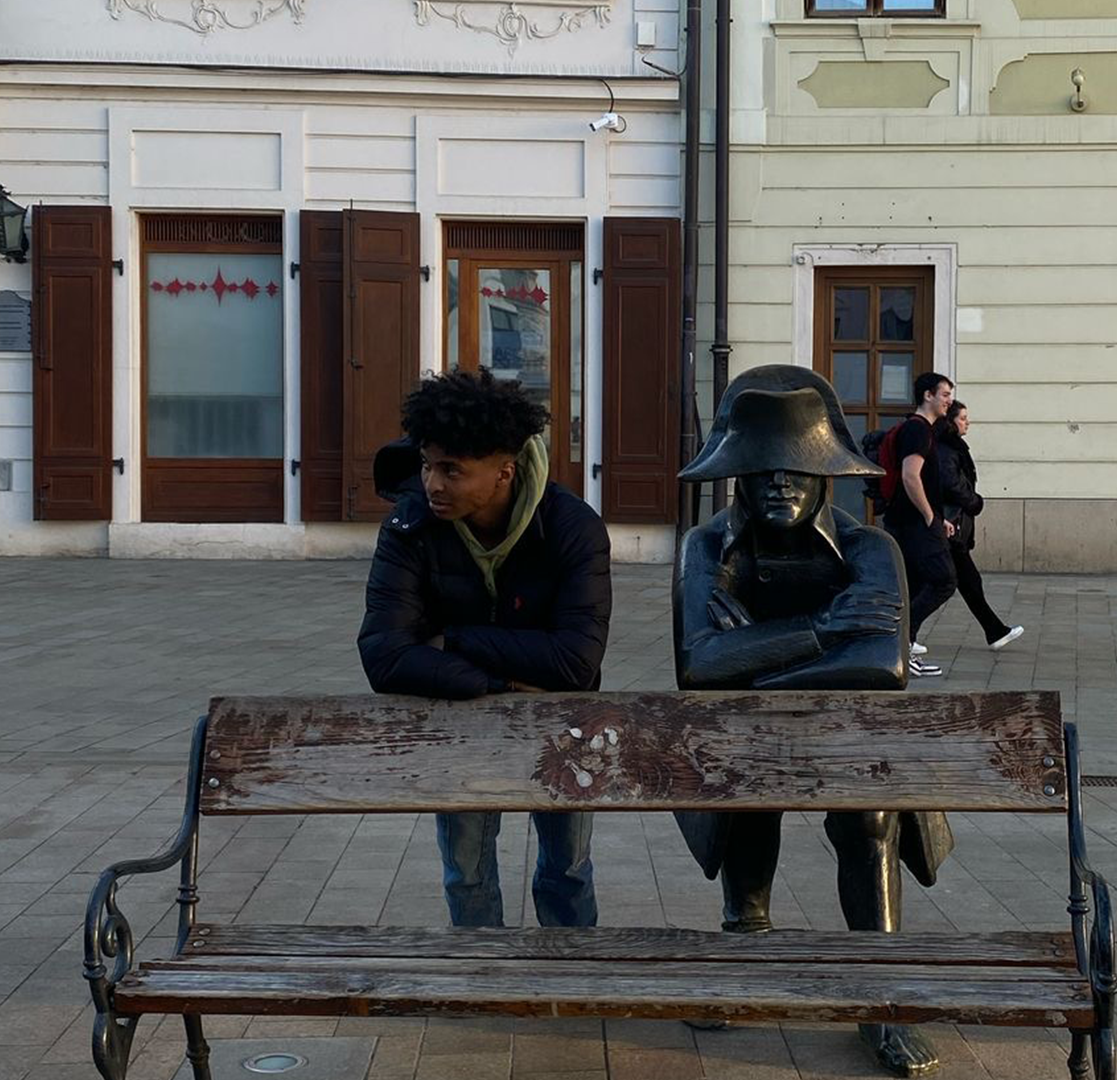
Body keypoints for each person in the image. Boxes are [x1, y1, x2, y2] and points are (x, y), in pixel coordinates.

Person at [674, 364, 952, 1078]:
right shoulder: (708, 548)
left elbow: (881, 667)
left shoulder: (870, 550)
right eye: (762, 464)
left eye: (799, 464)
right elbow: (700, 663)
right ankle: (745, 953)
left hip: (855, 740)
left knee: (868, 820)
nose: (779, 480)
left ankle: (879, 996)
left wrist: (755, 660)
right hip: (744, 747)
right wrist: (823, 629)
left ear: (827, 469)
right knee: (745, 799)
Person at [356, 369, 611, 929]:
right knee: (466, 869)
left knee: (567, 867)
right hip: (462, 717)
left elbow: (574, 660)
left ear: (504, 471)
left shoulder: (573, 528)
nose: (431, 484)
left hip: (564, 720)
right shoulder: (409, 528)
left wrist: (454, 640)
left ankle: (569, 977)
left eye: (452, 470)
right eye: (426, 464)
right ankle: (481, 977)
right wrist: (495, 683)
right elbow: (383, 654)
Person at [882, 372, 957, 678]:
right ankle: (904, 643)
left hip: (909, 521)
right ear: (928, 395)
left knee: (913, 585)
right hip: (914, 523)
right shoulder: (917, 430)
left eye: (950, 395)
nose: (949, 401)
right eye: (945, 395)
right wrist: (929, 517)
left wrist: (938, 518)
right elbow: (910, 476)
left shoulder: (920, 429)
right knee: (944, 580)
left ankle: (902, 649)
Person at [936, 400, 1023, 650]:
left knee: (966, 581)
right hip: (949, 526)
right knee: (941, 585)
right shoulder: (947, 448)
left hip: (953, 527)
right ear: (951, 420)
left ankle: (995, 631)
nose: (967, 422)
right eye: (962, 418)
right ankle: (906, 635)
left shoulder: (952, 446)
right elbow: (951, 483)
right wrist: (974, 501)